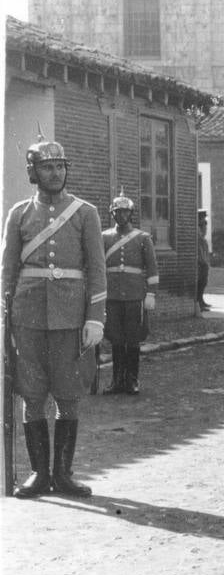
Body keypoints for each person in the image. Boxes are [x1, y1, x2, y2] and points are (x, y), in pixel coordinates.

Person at [2, 138, 106, 498]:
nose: (56, 172)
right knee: (31, 396)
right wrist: (4, 320)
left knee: (68, 395)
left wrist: (95, 318)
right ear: (33, 172)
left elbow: (97, 269)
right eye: (47, 166)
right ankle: (38, 475)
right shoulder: (18, 214)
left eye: (61, 166)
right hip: (27, 317)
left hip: (71, 317)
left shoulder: (84, 212)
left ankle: (63, 475)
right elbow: (7, 270)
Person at [101, 190, 159, 394]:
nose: (121, 215)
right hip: (113, 296)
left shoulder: (143, 238)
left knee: (133, 339)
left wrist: (151, 294)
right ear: (112, 214)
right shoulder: (104, 237)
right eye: (118, 212)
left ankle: (133, 380)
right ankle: (117, 381)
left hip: (135, 296)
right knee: (116, 338)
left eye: (125, 212)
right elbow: (99, 269)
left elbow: (152, 269)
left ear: (131, 214)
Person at [196, 210, 211, 312]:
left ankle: (201, 300)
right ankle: (199, 302)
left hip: (203, 261)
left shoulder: (202, 225)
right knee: (200, 282)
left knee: (203, 282)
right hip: (200, 261)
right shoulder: (198, 228)